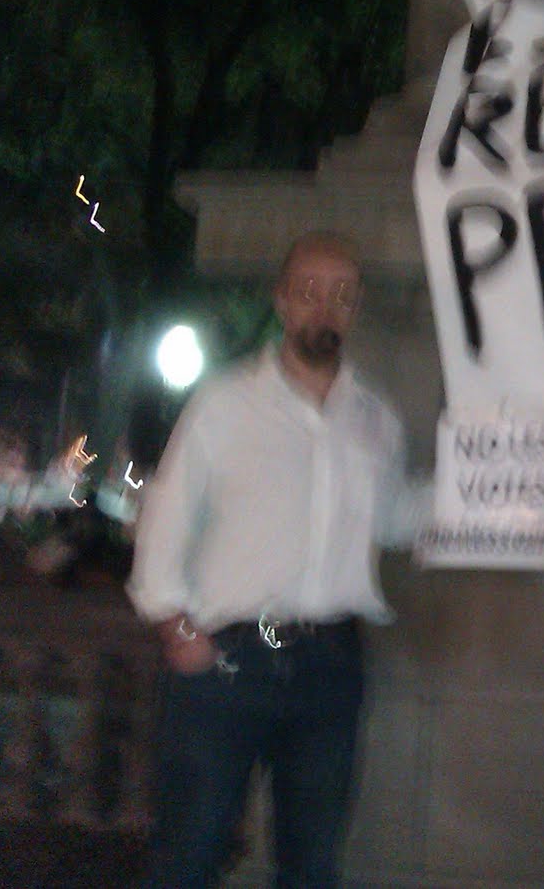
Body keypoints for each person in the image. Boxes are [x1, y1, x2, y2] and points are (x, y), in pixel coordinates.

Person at [128, 231, 424, 888]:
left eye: (342, 295)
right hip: (226, 661)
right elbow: (167, 514)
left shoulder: (376, 418)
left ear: (355, 309)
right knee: (190, 853)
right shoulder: (225, 402)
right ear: (283, 300)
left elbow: (396, 519)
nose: (325, 307)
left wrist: (495, 496)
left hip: (331, 663)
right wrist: (176, 627)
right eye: (310, 291)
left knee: (311, 863)